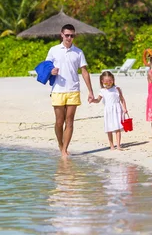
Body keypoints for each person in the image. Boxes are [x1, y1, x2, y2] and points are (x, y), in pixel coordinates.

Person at [46, 24, 95, 158]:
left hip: (73, 90)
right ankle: (60, 145)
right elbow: (46, 66)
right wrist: (51, 71)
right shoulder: (53, 50)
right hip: (57, 90)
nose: (69, 38)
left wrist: (91, 91)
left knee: (70, 121)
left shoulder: (78, 52)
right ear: (61, 34)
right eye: (67, 35)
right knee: (59, 122)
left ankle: (65, 149)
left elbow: (84, 71)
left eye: (71, 35)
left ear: (74, 36)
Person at [92, 71, 128, 151]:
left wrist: (125, 108)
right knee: (109, 128)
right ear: (102, 81)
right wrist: (93, 100)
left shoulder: (117, 89)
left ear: (113, 80)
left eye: (110, 81)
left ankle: (118, 145)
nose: (108, 83)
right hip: (108, 111)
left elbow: (122, 99)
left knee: (118, 127)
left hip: (117, 109)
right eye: (106, 81)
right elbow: (98, 100)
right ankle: (111, 145)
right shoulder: (102, 90)